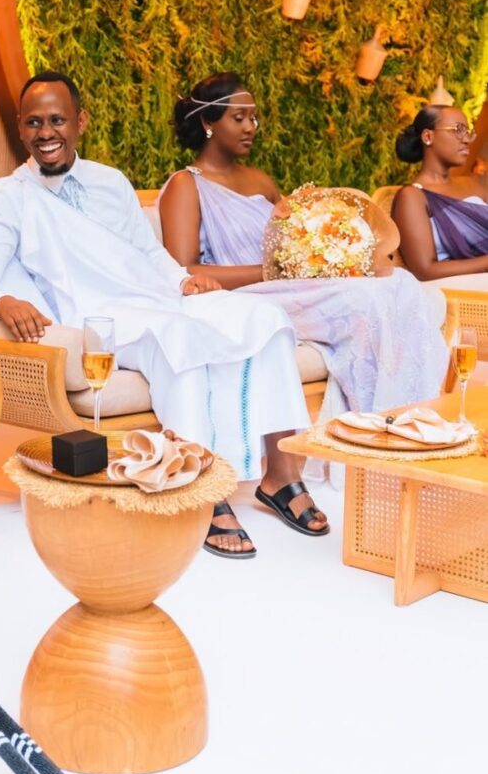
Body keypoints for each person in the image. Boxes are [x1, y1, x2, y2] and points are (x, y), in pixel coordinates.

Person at [0, 70, 329, 560]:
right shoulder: (9, 195)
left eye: (57, 120)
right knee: (178, 336)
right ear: (20, 128)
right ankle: (199, 489)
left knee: (265, 317)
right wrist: (3, 302)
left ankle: (280, 476)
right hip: (99, 319)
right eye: (34, 123)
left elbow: (149, 252)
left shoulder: (110, 182)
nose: (46, 133)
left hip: (158, 297)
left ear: (80, 122)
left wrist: (182, 281)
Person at [159, 73, 448, 553]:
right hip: (245, 295)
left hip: (292, 285)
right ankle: (363, 445)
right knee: (361, 299)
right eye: (239, 117)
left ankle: (408, 433)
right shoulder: (184, 186)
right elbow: (183, 268)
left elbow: (295, 240)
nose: (251, 127)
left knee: (398, 284)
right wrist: (275, 271)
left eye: (254, 117)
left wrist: (327, 255)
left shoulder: (261, 181)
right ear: (208, 123)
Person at [391, 103, 488, 287]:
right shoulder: (412, 196)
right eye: (458, 130)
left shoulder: (470, 184)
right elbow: (425, 270)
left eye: (467, 132)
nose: (466, 140)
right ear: (428, 136)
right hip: (463, 290)